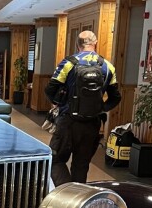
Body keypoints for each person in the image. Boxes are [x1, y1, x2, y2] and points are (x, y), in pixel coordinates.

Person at [45, 31, 121, 186]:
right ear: (96, 43)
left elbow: (50, 89)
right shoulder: (108, 66)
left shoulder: (69, 63)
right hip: (92, 124)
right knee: (81, 164)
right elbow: (116, 97)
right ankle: (78, 199)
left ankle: (66, 193)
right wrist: (101, 108)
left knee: (55, 159)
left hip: (68, 122)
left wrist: (57, 102)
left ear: (77, 44)